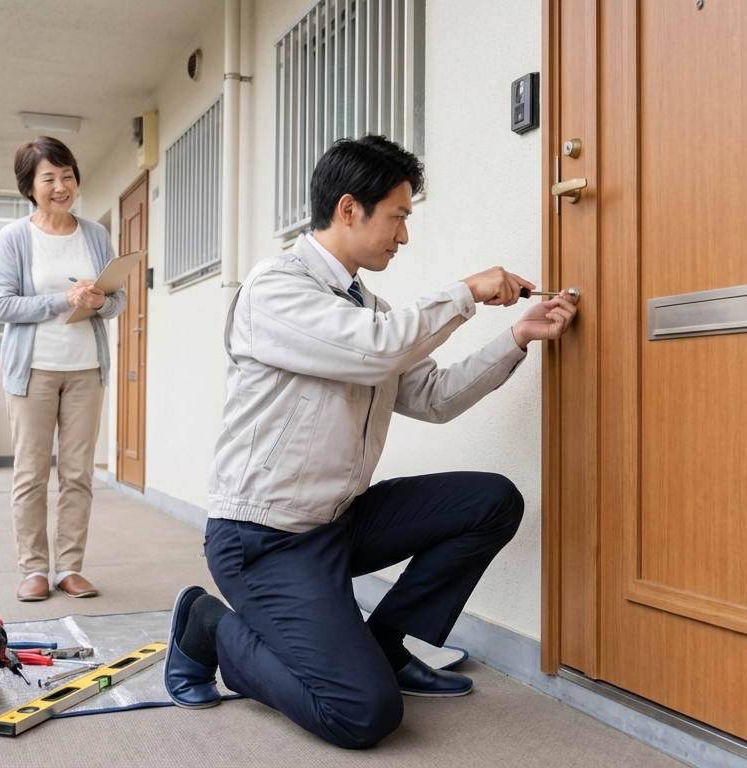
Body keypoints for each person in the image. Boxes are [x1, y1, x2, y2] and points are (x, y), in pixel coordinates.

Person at [165, 135, 577, 748]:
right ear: (350, 209)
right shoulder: (276, 288)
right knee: (362, 714)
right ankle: (208, 628)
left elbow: (433, 399)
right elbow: (372, 348)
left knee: (491, 501)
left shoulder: (370, 308)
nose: (404, 236)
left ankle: (384, 644)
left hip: (338, 522)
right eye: (399, 217)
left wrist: (516, 338)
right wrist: (464, 292)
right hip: (264, 540)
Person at [0, 136, 125, 602]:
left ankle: (69, 567)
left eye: (67, 175)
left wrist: (99, 300)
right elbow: (2, 305)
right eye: (49, 178)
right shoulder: (15, 237)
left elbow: (118, 300)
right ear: (30, 186)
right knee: (30, 474)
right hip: (34, 372)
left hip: (86, 369)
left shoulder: (94, 234)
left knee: (77, 474)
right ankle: (33, 570)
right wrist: (62, 299)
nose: (61, 186)